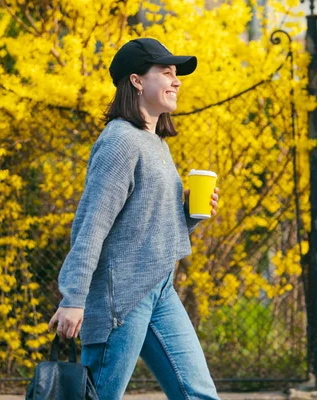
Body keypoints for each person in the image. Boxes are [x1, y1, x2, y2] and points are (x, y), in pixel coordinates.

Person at [48, 38, 220, 400]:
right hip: (120, 297)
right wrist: (74, 297)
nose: (177, 81)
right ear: (137, 81)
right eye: (167, 72)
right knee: (99, 396)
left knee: (199, 394)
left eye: (177, 75)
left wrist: (190, 213)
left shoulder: (155, 143)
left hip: (159, 288)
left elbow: (146, 226)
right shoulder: (120, 142)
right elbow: (91, 225)